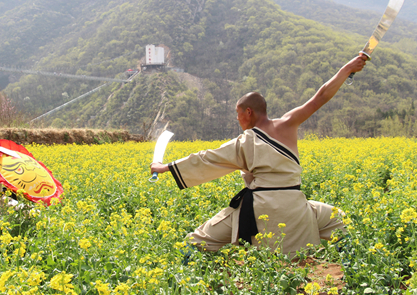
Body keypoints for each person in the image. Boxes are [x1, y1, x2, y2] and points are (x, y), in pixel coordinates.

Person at [150, 55, 368, 257]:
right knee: (339, 220)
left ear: (248, 112)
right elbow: (320, 97)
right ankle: (353, 269)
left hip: (259, 209)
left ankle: (186, 277)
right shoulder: (288, 123)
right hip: (295, 206)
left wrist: (165, 167)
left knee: (196, 241)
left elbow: (206, 158)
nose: (238, 119)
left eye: (238, 114)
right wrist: (347, 68)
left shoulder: (244, 142)